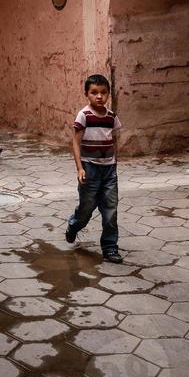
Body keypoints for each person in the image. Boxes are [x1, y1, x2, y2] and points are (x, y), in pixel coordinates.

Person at [65, 73, 123, 263]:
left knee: (110, 210)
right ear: (86, 94)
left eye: (103, 93)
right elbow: (75, 142)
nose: (99, 96)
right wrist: (79, 168)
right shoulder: (84, 116)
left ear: (108, 95)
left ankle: (110, 247)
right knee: (86, 209)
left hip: (109, 171)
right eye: (94, 92)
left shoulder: (112, 117)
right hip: (89, 169)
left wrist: (114, 162)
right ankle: (74, 225)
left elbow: (113, 140)